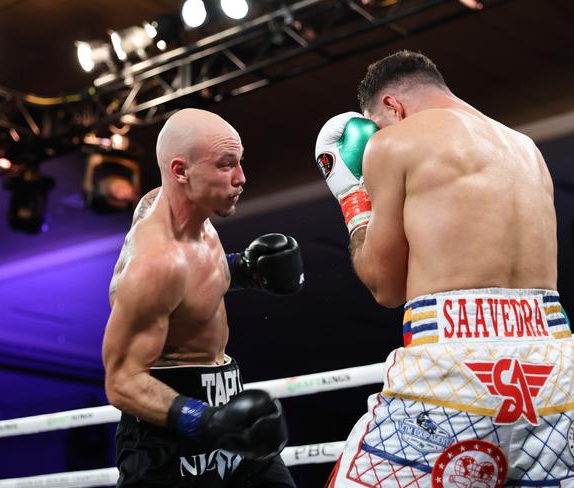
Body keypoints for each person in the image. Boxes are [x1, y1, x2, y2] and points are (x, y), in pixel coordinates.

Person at [314, 51, 573, 487]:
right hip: (558, 370)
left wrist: (353, 200)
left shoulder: (394, 140)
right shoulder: (526, 149)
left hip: (456, 368)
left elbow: (385, 286)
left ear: (393, 107)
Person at [102, 108, 302, 487]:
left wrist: (244, 269)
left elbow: (189, 286)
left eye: (239, 162)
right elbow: (122, 381)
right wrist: (206, 421)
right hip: (168, 441)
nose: (241, 178)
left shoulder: (190, 215)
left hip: (228, 412)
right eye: (226, 165)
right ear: (181, 171)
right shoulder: (156, 264)